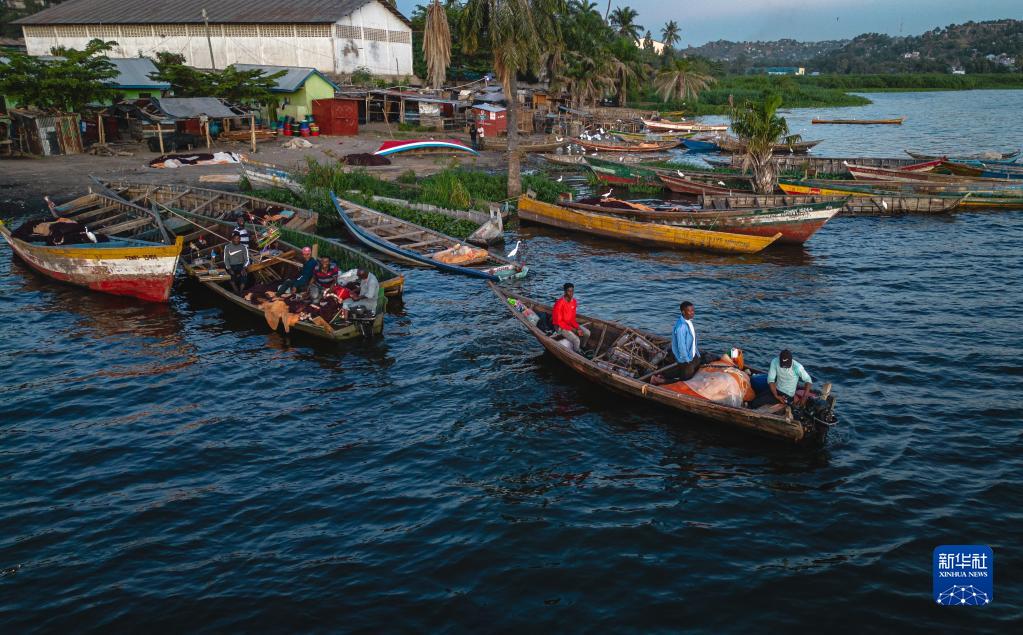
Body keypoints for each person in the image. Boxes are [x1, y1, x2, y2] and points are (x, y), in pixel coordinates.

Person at [652, 301, 702, 385]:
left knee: (686, 372)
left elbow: (692, 341)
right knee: (685, 382)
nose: (692, 313)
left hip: (691, 355)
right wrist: (687, 360)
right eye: (690, 311)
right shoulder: (681, 327)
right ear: (683, 312)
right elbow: (681, 346)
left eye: (693, 310)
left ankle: (662, 375)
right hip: (685, 358)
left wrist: (697, 354)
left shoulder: (688, 322)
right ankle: (658, 380)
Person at [552, 283, 590, 353]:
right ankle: (577, 353)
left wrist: (578, 328)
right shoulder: (559, 304)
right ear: (565, 292)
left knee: (587, 333)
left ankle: (582, 347)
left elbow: (572, 319)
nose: (571, 293)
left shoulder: (574, 302)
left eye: (572, 291)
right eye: (569, 291)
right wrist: (574, 330)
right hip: (560, 327)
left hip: (569, 324)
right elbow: (559, 323)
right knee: (576, 340)